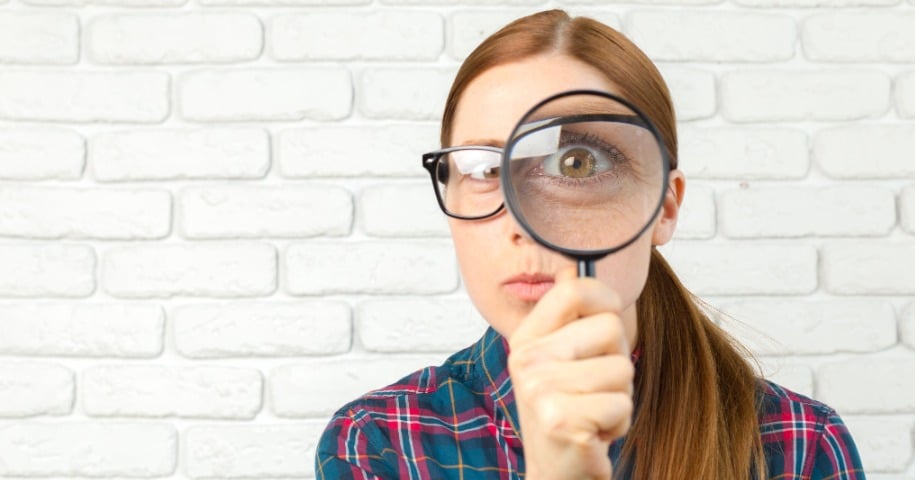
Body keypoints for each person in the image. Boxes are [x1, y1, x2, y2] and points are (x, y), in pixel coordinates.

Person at [316, 9, 864, 480]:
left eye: (576, 163)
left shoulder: (796, 445)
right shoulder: (381, 444)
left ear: (664, 208)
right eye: (484, 168)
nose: (523, 225)